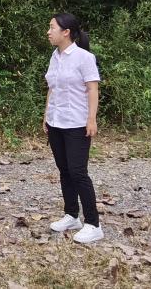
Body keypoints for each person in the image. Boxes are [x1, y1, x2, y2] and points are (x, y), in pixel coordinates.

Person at [44, 13, 103, 244]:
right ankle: (71, 215)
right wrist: (46, 115)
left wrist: (92, 119)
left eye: (52, 28)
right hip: (56, 121)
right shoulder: (55, 56)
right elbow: (52, 88)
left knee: (78, 172)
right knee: (64, 170)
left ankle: (93, 224)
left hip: (77, 123)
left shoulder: (84, 58)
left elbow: (92, 89)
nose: (48, 32)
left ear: (66, 32)